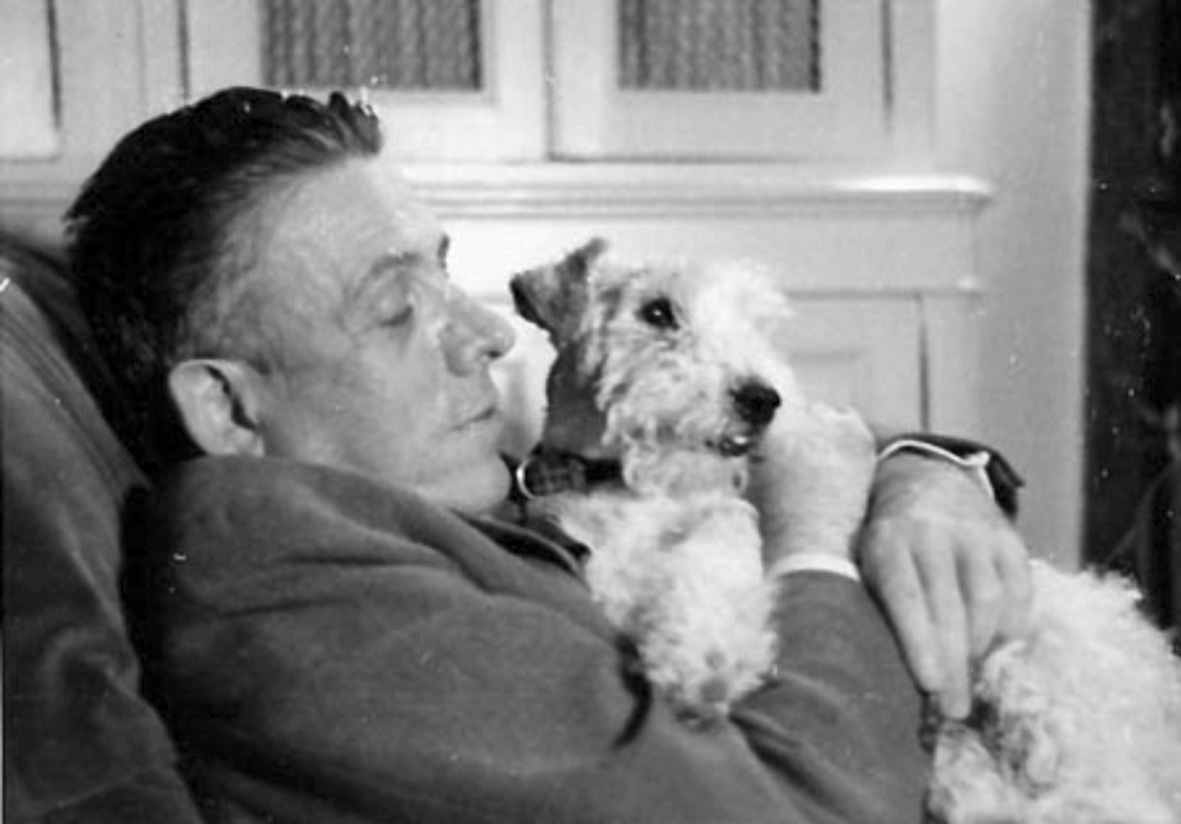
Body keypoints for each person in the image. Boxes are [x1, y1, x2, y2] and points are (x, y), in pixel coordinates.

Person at [63, 87, 1030, 823]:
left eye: (443, 273)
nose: (487, 331)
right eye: (398, 307)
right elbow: (803, 810)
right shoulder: (297, 597)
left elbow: (732, 451)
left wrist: (922, 471)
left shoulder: (422, 477)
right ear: (229, 410)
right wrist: (813, 535)